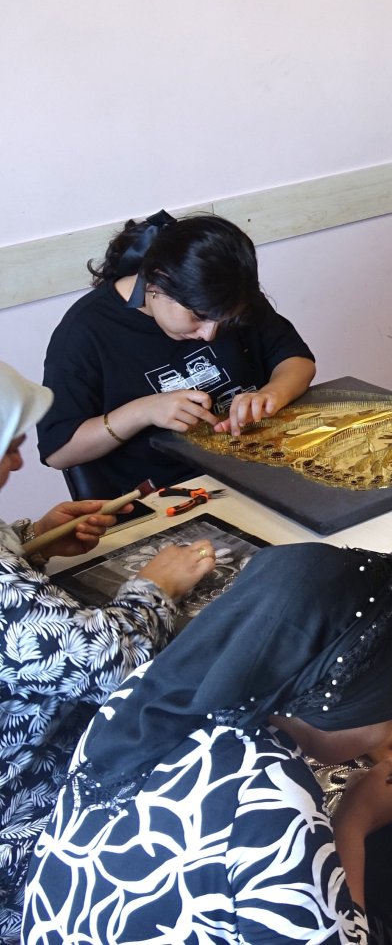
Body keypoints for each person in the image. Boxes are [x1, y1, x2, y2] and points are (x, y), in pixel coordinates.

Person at [23, 542, 392, 944]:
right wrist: (354, 822)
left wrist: (369, 728)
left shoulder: (155, 689)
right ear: (337, 709)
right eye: (391, 714)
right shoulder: (273, 804)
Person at [0, 361, 214, 943]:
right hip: (25, 820)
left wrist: (32, 540)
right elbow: (113, 664)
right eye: (9, 451)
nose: (20, 463)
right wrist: (156, 588)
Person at [38, 211, 316, 497]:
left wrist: (271, 394)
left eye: (226, 320)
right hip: (166, 497)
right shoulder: (86, 331)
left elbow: (297, 360)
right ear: (156, 284)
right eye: (198, 316)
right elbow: (58, 452)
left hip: (260, 471)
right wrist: (143, 411)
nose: (209, 334)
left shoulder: (227, 294)